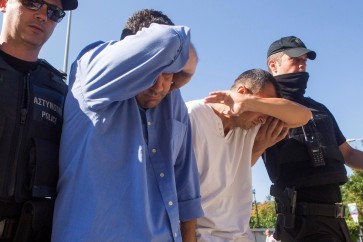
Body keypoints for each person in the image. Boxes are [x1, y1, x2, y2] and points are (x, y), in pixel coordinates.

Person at [51, 9, 203, 242]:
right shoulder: (91, 70)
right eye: (152, 70)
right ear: (131, 52)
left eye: (167, 74)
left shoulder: (174, 100)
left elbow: (186, 188)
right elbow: (169, 40)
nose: (159, 86)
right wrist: (185, 60)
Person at [253, 36, 363, 242]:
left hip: (336, 223)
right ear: (273, 65)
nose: (302, 64)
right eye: (295, 59)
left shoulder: (319, 109)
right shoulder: (261, 110)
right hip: (298, 225)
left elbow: (348, 153)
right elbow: (239, 160)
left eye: (305, 59)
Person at [187, 69, 312, 241]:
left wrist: (253, 104)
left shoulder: (250, 127)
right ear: (241, 92)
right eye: (260, 106)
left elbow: (304, 116)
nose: (264, 119)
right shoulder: (192, 115)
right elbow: (179, 191)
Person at [0, 0, 78, 241]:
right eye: (32, 2)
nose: (43, 15)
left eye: (54, 12)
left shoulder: (63, 94)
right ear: (4, 4)